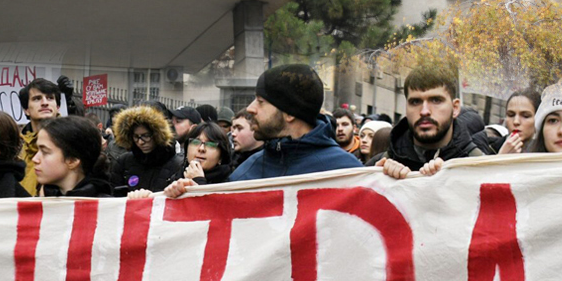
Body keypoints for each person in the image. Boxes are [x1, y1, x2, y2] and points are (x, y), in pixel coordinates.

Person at [216, 64, 364, 185]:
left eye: (261, 102)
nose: (250, 108)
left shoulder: (346, 173)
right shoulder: (248, 171)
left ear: (290, 113)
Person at [373, 64, 490, 179]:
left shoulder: (480, 170)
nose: (424, 111)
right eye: (415, 102)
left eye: (436, 100)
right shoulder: (380, 166)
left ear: (455, 108)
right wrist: (376, 181)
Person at [109, 105, 185, 196]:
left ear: (157, 135)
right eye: (136, 137)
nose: (140, 142)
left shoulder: (177, 163)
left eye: (146, 136)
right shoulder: (123, 162)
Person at [31, 115, 113, 198]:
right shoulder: (42, 198)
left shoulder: (108, 208)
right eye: (37, 150)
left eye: (45, 152)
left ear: (72, 160)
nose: (35, 159)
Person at [18, 78, 65, 196]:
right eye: (37, 99)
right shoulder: (16, 147)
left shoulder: (70, 141)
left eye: (50, 98)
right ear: (26, 110)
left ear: (58, 107)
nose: (45, 102)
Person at [181, 121, 235, 185]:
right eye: (195, 142)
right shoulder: (175, 176)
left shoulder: (230, 183)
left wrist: (198, 181)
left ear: (221, 157)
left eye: (210, 144)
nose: (201, 148)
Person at [496, 87, 540, 155]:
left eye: (525, 116)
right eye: (511, 115)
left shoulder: (551, 152)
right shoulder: (490, 148)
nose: (516, 122)